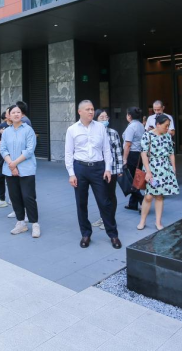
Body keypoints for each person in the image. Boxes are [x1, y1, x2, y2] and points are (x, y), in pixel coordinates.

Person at [65, 100, 122, 250]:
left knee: (104, 202)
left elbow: (107, 150)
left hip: (98, 168)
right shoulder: (72, 129)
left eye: (92, 109)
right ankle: (86, 234)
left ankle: (113, 234)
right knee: (81, 203)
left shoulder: (100, 127)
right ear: (80, 112)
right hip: (80, 168)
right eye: (88, 109)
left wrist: (108, 169)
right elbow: (68, 153)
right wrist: (71, 174)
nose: (91, 112)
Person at [0, 104, 40, 237]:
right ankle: (21, 223)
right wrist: (11, 165)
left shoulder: (28, 130)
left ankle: (35, 223)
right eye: (13, 112)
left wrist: (14, 164)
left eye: (19, 112)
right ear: (9, 116)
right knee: (15, 196)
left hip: (26, 169)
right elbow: (3, 149)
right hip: (9, 169)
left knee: (28, 197)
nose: (16, 114)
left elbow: (29, 150)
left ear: (22, 114)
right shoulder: (6, 132)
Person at [139, 114, 179, 231]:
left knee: (160, 196)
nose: (167, 128)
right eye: (166, 126)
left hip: (165, 168)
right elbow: (144, 154)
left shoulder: (167, 136)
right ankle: (142, 221)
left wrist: (173, 168)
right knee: (148, 196)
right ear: (158, 125)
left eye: (168, 126)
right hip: (151, 168)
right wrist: (148, 171)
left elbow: (171, 153)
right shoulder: (147, 135)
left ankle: (158, 222)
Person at [91, 109, 122, 230]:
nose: (105, 119)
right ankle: (103, 217)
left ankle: (110, 219)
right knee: (101, 196)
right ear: (96, 119)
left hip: (111, 169)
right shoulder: (93, 133)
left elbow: (118, 151)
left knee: (110, 195)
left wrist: (120, 169)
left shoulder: (113, 133)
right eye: (101, 117)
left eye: (106, 117)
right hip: (97, 169)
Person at [122, 106, 145, 212]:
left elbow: (128, 144)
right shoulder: (141, 125)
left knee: (130, 180)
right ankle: (132, 203)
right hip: (139, 154)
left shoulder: (131, 127)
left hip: (132, 154)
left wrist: (124, 159)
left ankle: (141, 199)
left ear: (129, 116)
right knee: (136, 179)